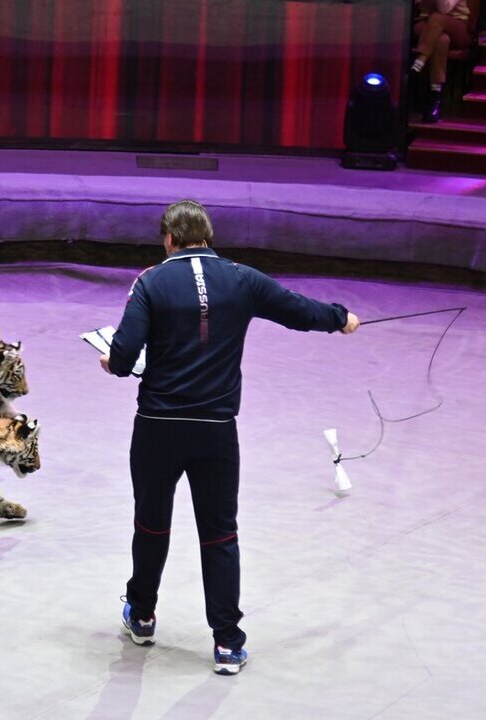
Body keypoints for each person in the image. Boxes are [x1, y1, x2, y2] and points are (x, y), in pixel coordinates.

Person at [99, 200, 360, 676]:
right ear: (208, 236)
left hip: (157, 427)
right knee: (220, 534)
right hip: (216, 432)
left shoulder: (150, 281)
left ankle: (141, 615)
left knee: (151, 525)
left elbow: (121, 358)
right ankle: (226, 643)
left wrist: (110, 360)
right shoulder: (243, 278)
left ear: (168, 239)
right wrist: (341, 317)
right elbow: (300, 312)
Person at [410, 0, 473, 123]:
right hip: (427, 22)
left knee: (439, 19)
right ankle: (435, 98)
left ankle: (417, 65)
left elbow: (446, 9)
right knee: (440, 40)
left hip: (457, 24)